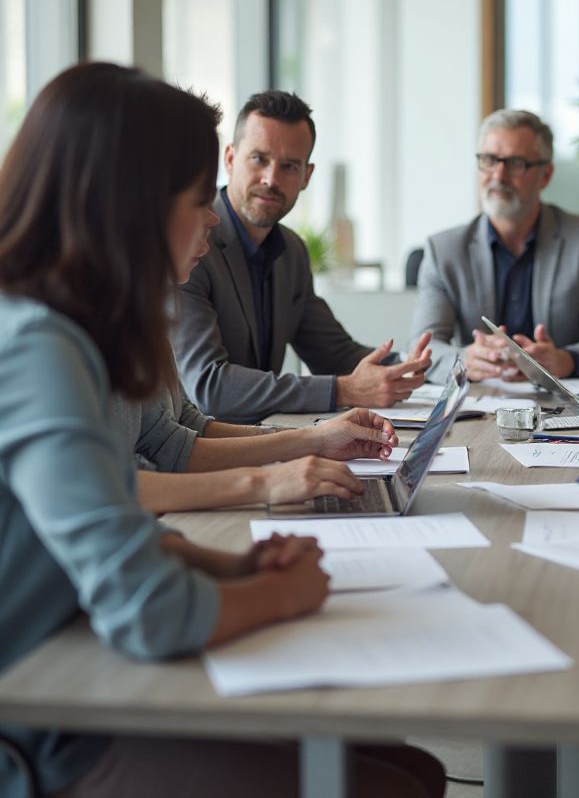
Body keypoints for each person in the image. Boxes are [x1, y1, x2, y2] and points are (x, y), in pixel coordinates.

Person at [0, 63, 445, 797]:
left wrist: (231, 568)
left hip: (82, 663)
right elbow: (149, 612)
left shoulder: (76, 328)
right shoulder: (35, 348)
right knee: (395, 786)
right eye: (194, 194)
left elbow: (111, 517)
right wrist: (285, 595)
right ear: (129, 204)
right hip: (46, 725)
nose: (212, 216)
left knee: (415, 766)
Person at [116, 195, 400, 513]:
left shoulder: (141, 309)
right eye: (197, 201)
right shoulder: (95, 319)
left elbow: (183, 426)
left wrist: (315, 439)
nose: (213, 219)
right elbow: (128, 475)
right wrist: (267, 482)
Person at [173, 89, 431, 423]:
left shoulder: (291, 250)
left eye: (289, 166)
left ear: (307, 176)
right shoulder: (190, 248)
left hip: (263, 444)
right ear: (230, 159)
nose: (271, 179)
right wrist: (342, 390)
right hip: (200, 453)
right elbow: (210, 388)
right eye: (258, 159)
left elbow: (333, 352)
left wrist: (406, 363)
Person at [410, 108, 579, 383]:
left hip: (561, 405)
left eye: (515, 163)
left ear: (546, 175)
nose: (498, 176)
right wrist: (464, 359)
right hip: (480, 403)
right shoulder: (443, 250)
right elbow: (422, 348)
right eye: (489, 160)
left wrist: (566, 359)